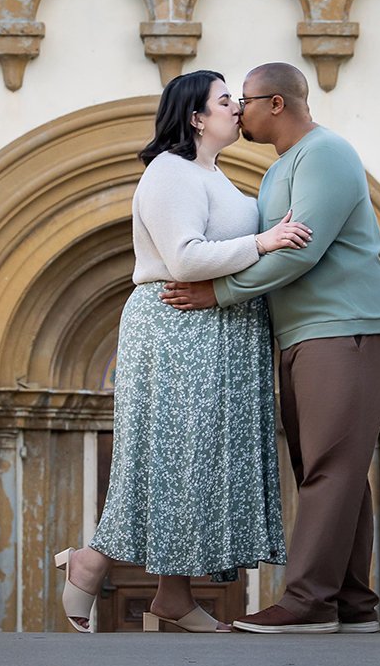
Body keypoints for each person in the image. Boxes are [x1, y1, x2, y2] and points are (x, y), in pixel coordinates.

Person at [55, 70, 310, 632]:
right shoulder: (169, 173)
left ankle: (172, 596)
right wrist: (265, 241)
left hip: (218, 331)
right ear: (196, 117)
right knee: (173, 456)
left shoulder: (211, 175)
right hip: (179, 329)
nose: (237, 109)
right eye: (225, 101)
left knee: (201, 462)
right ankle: (92, 560)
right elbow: (186, 259)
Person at [162, 61, 380, 634]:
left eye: (243, 100)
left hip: (346, 326)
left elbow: (299, 253)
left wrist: (216, 293)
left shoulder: (325, 154)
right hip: (302, 334)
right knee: (330, 469)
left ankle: (306, 602)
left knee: (329, 468)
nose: (237, 111)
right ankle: (351, 604)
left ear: (275, 104)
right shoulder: (279, 172)